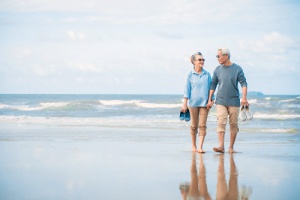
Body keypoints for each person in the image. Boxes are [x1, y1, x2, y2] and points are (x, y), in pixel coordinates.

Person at [207, 47, 249, 153]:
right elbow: (213, 85)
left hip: (234, 101)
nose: (217, 58)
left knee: (233, 124)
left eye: (218, 56)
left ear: (226, 56)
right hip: (220, 100)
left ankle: (231, 147)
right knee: (221, 122)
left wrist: (244, 97)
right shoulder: (217, 69)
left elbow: (243, 83)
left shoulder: (237, 69)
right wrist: (209, 99)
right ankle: (221, 146)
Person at [181, 52, 214, 153]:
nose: (202, 61)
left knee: (202, 125)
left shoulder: (207, 74)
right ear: (194, 62)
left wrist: (211, 100)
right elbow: (187, 90)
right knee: (194, 126)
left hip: (205, 104)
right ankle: (193, 146)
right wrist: (184, 104)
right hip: (193, 104)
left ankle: (200, 147)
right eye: (199, 60)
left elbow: (211, 88)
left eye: (203, 59)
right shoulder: (189, 75)